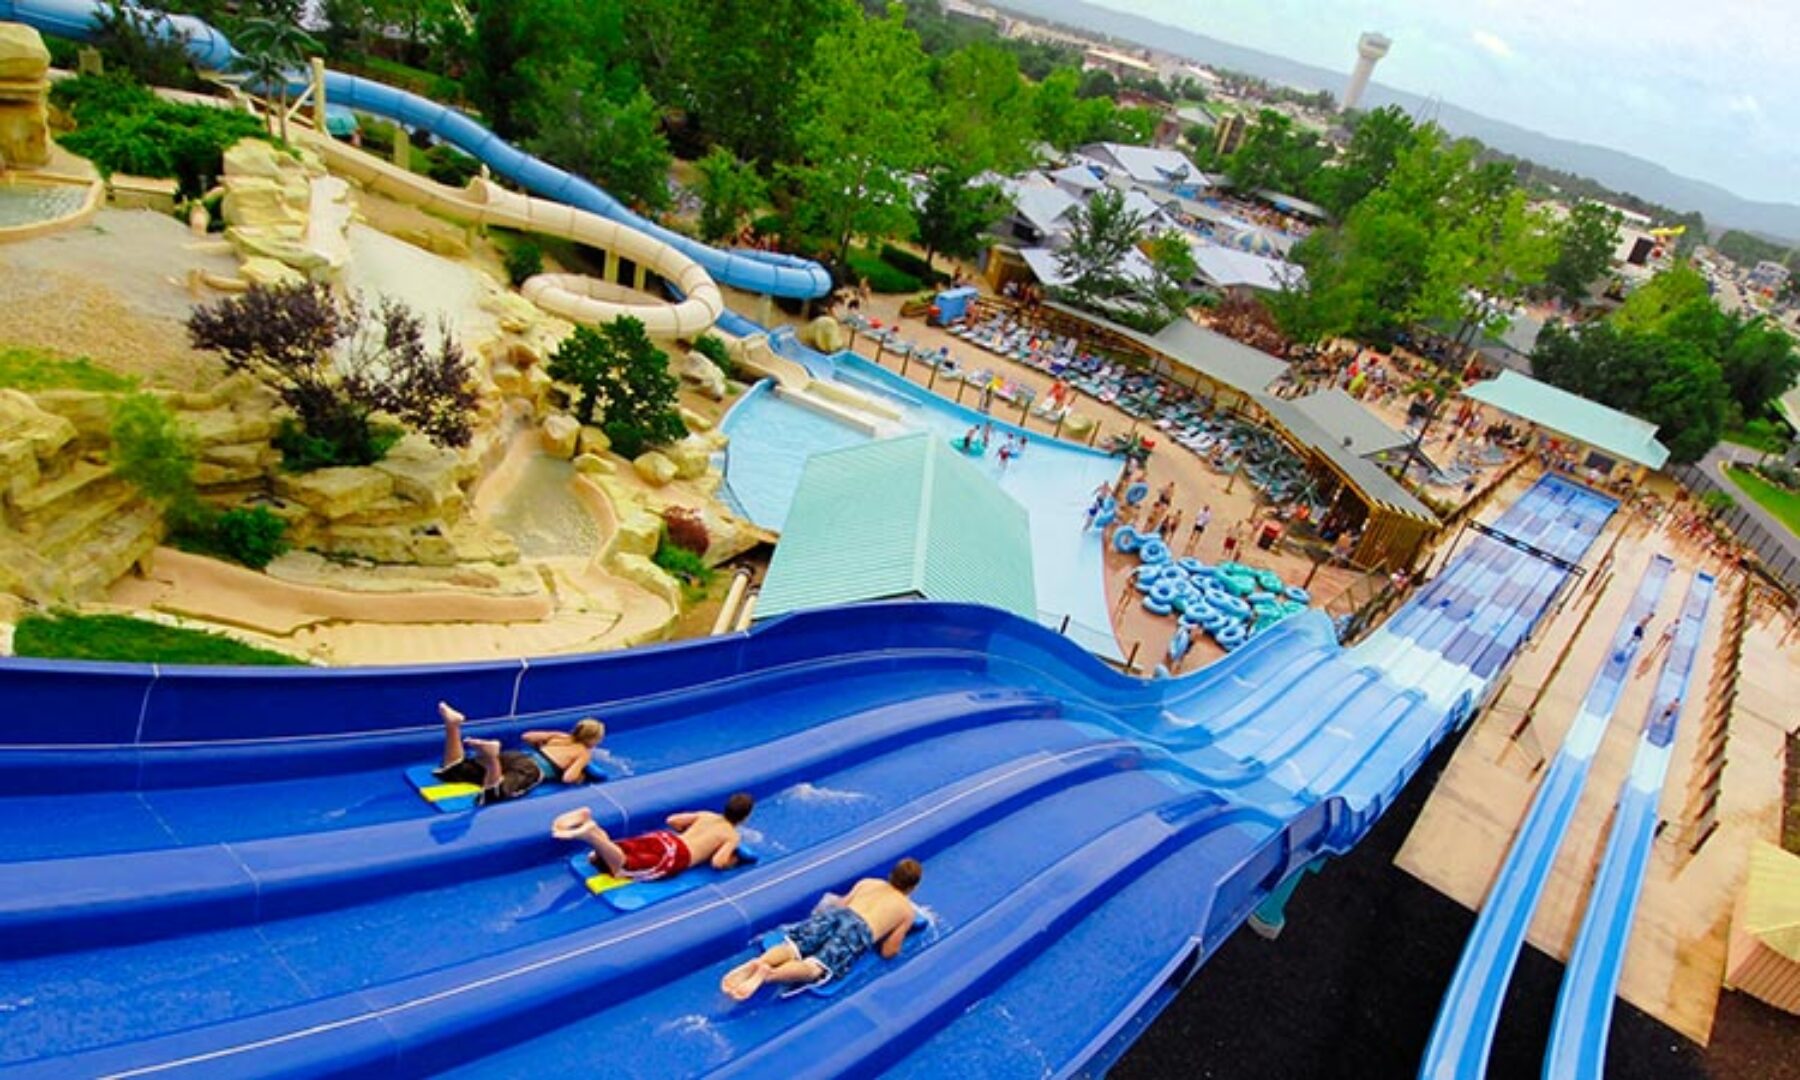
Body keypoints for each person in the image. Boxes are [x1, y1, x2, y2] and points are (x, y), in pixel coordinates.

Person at [721, 858, 923, 1001]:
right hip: (858, 930)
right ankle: (769, 975)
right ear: (913, 887)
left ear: (891, 875)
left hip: (836, 916)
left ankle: (761, 961)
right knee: (815, 967)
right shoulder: (906, 910)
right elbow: (889, 951)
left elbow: (843, 905)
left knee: (793, 947)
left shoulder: (869, 883)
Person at [551, 793, 753, 882]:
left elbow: (672, 820)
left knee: (602, 855)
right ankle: (591, 834)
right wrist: (731, 861)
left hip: (664, 838)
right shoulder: (731, 835)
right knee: (621, 867)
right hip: (677, 856)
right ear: (745, 817)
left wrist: (686, 832)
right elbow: (718, 863)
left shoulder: (707, 815)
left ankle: (590, 825)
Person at [432, 702, 602, 806]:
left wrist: (542, 743)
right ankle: (491, 757)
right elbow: (568, 778)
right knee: (494, 795)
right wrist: (581, 775)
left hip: (517, 757)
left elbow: (527, 736)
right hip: (531, 770)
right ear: (593, 740)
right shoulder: (583, 753)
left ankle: (453, 726)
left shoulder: (561, 736)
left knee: (453, 770)